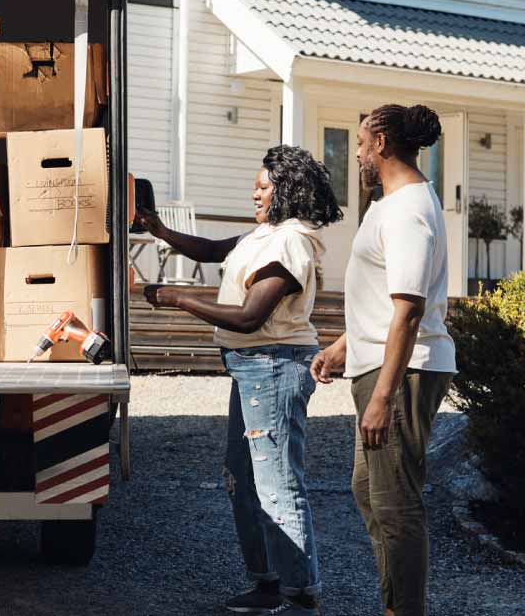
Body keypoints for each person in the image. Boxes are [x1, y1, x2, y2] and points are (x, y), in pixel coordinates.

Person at [142, 145, 342, 616]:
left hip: (273, 365)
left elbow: (251, 316)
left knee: (276, 484)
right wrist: (161, 231)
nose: (255, 191)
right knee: (244, 478)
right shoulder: (265, 235)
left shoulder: (291, 241)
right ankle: (268, 583)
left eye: (264, 185)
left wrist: (176, 297)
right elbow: (213, 251)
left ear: (287, 191)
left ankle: (300, 594)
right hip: (252, 367)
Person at [310, 104, 458, 616]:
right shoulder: (388, 204)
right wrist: (343, 345)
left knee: (395, 501)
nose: (353, 153)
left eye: (358, 142)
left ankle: (403, 610)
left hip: (405, 370)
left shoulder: (409, 210)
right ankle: (393, 600)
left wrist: (382, 396)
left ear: (381, 144)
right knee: (367, 487)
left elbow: (409, 311)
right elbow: (381, 299)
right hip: (380, 361)